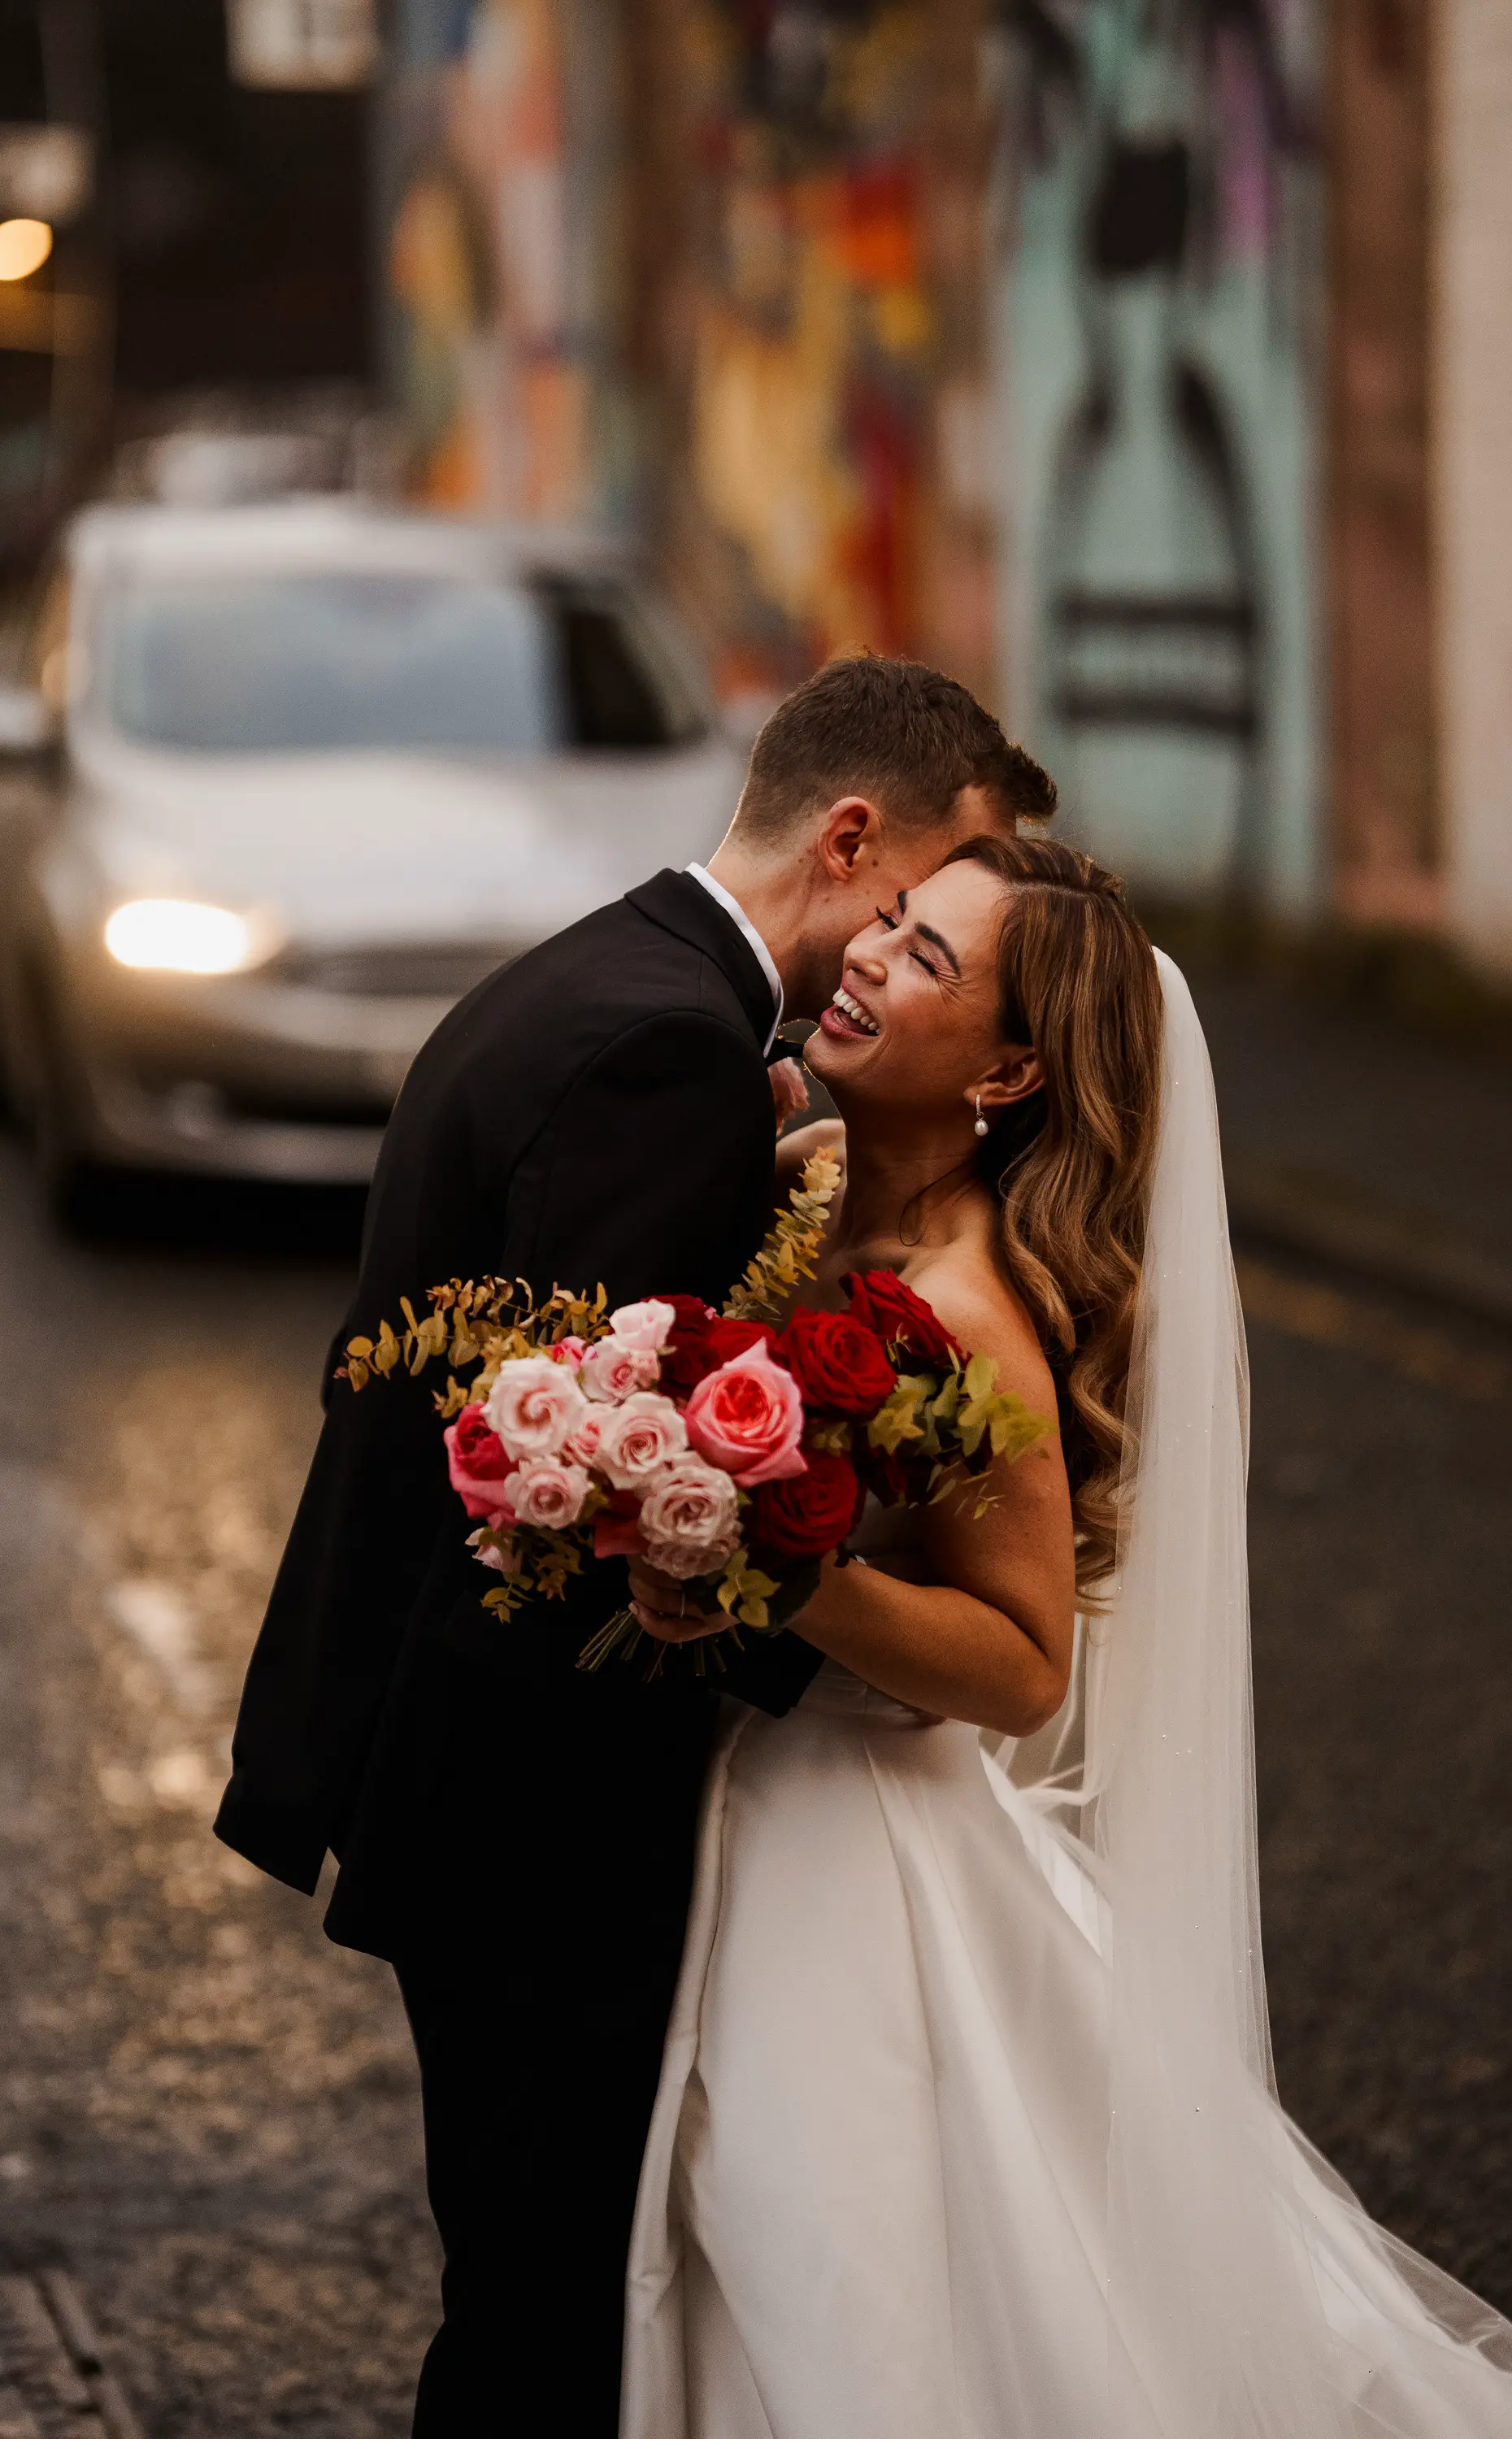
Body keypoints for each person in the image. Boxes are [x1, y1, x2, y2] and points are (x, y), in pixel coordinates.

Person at [620, 837, 1512, 2439]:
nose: (868, 955)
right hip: (745, 1790)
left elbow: (1023, 1658)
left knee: (821, 2253)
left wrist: (777, 1568)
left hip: (850, 1848)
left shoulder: (973, 1309)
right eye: (895, 923)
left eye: (927, 960)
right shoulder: (815, 1177)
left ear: (1009, 1068)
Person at [211, 657, 1056, 2435]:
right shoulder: (668, 1053)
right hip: (540, 1818)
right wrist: (793, 1621)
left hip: (462, 1786)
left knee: (550, 2310)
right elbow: (599, 1498)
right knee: (546, 2332)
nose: (914, 937)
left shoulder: (608, 977)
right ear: (850, 836)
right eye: (915, 898)